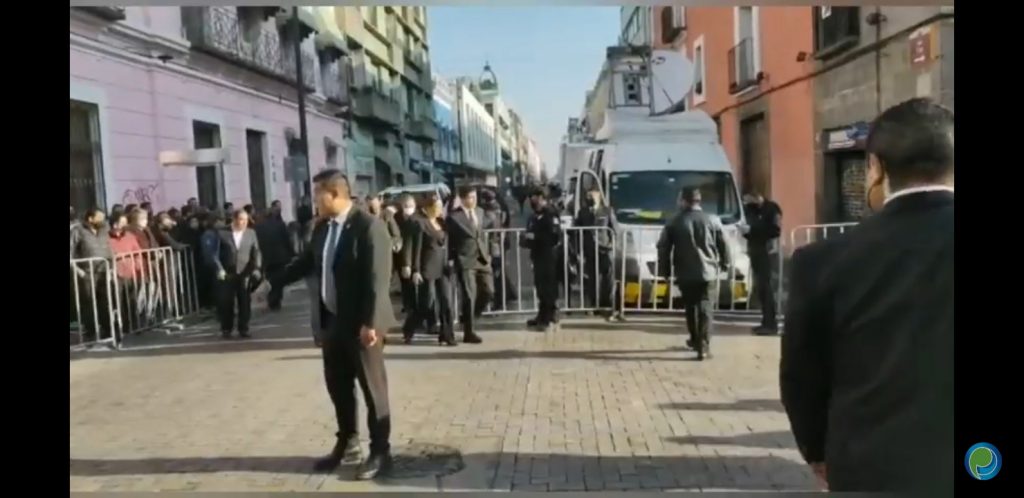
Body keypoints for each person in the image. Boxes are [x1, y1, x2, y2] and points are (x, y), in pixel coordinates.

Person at [780, 98, 954, 495]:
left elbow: (802, 377)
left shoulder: (822, 261)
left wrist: (817, 451)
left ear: (875, 168)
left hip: (869, 465)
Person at [272, 169, 396, 480]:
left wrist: (371, 322)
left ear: (335, 194)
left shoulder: (369, 226)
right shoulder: (322, 228)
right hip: (332, 322)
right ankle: (348, 442)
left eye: (318, 195)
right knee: (338, 385)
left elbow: (378, 279)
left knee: (373, 389)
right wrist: (273, 282)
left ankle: (381, 451)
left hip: (362, 326)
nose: (313, 201)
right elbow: (307, 262)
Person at [656, 187, 730, 361]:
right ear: (698, 200)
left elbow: (663, 247)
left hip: (685, 272)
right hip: (708, 271)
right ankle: (703, 346)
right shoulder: (712, 220)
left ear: (683, 201)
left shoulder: (674, 221)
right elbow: (723, 244)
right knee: (706, 308)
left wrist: (664, 270)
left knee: (691, 307)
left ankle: (695, 339)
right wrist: (725, 263)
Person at [401, 193, 456, 346]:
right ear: (428, 208)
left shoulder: (442, 222)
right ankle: (409, 328)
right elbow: (417, 247)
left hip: (443, 267)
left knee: (446, 301)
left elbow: (447, 243)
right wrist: (416, 270)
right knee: (427, 303)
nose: (439, 209)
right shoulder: (421, 224)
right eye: (436, 207)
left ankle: (447, 334)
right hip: (427, 267)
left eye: (440, 206)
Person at [446, 186, 493, 344]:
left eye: (475, 197)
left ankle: (470, 316)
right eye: (470, 198)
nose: (473, 200)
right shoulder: (454, 217)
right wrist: (451, 259)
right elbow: (450, 241)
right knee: (469, 295)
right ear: (462, 199)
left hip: (482, 258)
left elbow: (484, 231)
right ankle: (469, 331)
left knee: (488, 291)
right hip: (465, 260)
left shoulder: (480, 212)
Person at [211, 209, 262, 339]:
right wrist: (219, 269)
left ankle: (244, 328)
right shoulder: (222, 233)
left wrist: (256, 268)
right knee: (226, 302)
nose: (244, 223)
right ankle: (226, 328)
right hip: (227, 273)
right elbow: (215, 254)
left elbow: (256, 251)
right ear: (234, 220)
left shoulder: (251, 233)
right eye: (241, 220)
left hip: (245, 272)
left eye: (246, 220)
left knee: (244, 301)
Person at [573, 189, 621, 319]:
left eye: (592, 195)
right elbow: (576, 231)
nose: (590, 198)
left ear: (599, 196)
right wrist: (578, 251)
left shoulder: (607, 211)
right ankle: (594, 305)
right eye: (588, 195)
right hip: (589, 250)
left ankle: (610, 306)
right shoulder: (583, 212)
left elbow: (616, 231)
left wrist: (612, 245)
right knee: (592, 279)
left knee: (608, 279)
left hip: (605, 250)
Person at [741, 192, 783, 335]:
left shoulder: (772, 209)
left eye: (748, 199)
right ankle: (765, 322)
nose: (747, 203)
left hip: (768, 253)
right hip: (756, 252)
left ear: (757, 196)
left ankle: (771, 325)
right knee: (761, 289)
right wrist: (745, 231)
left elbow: (775, 231)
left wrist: (752, 230)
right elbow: (750, 230)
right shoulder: (751, 209)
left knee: (767, 289)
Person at [70, 208, 114, 341]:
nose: (103, 220)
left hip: (104, 271)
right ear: (90, 219)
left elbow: (110, 248)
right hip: (87, 273)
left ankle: (108, 329)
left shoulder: (104, 230)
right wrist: (78, 271)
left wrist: (112, 267)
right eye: (99, 218)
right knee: (89, 302)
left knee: (105, 302)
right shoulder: (78, 231)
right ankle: (91, 331)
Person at [522, 187, 563, 331]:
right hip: (537, 255)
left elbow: (554, 237)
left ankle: (550, 317)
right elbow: (529, 233)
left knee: (548, 287)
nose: (532, 201)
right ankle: (542, 314)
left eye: (534, 197)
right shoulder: (534, 216)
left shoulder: (550, 214)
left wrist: (535, 237)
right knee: (540, 286)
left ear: (541, 198)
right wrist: (526, 240)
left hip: (549, 256)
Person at [109, 212, 143, 338]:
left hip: (130, 272)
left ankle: (133, 325)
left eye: (125, 222)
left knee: (131, 301)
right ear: (114, 224)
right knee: (117, 302)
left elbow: (137, 251)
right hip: (115, 274)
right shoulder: (106, 238)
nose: (125, 225)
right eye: (122, 222)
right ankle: (119, 327)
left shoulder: (129, 236)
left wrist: (138, 265)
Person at [255, 200, 293, 311]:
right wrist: (291, 253)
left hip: (266, 257)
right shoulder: (280, 225)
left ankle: (271, 299)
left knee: (269, 278)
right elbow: (286, 240)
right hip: (280, 256)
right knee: (279, 278)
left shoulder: (258, 227)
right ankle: (276, 300)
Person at [394, 194, 419, 315]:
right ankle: (408, 304)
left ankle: (414, 305)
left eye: (411, 205)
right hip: (400, 255)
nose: (409, 208)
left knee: (413, 283)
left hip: (415, 254)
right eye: (406, 205)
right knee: (405, 282)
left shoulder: (417, 218)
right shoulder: (396, 218)